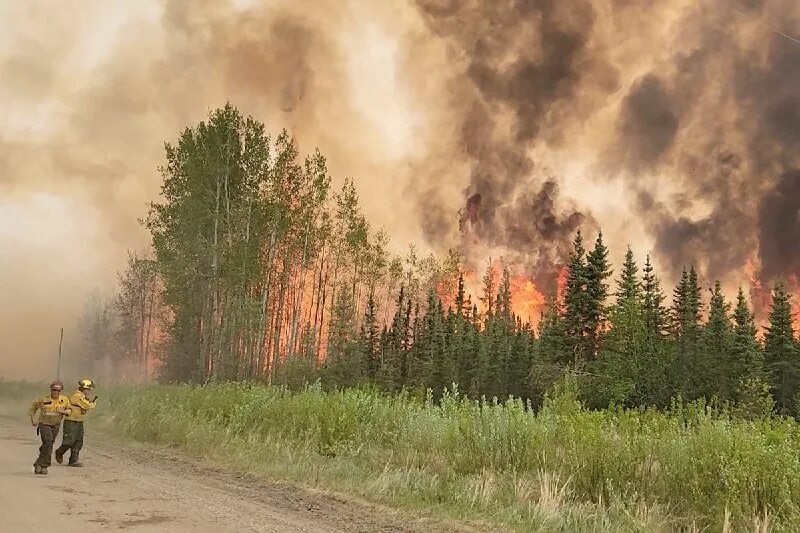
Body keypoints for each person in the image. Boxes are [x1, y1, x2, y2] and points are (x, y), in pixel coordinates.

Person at [28, 380, 72, 475]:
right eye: (54, 390)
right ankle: (45, 465)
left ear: (60, 391)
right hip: (44, 424)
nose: (55, 392)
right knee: (48, 442)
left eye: (58, 391)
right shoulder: (43, 400)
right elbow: (32, 409)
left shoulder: (64, 400)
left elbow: (70, 411)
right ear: (51, 390)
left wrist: (63, 411)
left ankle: (38, 463)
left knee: (49, 444)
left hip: (55, 425)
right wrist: (33, 420)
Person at [55, 378, 98, 467]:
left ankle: (73, 460)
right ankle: (59, 452)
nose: (88, 391)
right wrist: (93, 403)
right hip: (71, 421)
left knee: (78, 441)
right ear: (84, 388)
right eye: (88, 389)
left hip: (79, 421)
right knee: (69, 441)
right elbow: (86, 405)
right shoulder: (77, 396)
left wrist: (90, 402)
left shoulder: (82, 397)